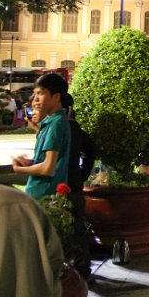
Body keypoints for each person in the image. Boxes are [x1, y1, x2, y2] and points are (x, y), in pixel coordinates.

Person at [0, 182, 64, 297]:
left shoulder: (18, 205)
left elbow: (47, 170)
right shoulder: (21, 205)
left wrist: (20, 168)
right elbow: (55, 270)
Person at [12, 73, 71, 200]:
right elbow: (48, 162)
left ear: (56, 97)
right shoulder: (52, 122)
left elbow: (48, 169)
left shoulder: (56, 124)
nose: (36, 99)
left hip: (43, 195)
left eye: (40, 93)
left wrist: (18, 169)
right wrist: (29, 163)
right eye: (35, 93)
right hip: (43, 194)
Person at [61, 93, 97, 280]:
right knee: (76, 228)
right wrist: (83, 173)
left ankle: (77, 272)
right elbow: (91, 150)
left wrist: (82, 173)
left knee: (74, 228)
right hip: (73, 182)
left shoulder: (68, 126)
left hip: (68, 185)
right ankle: (81, 271)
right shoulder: (71, 126)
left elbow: (91, 149)